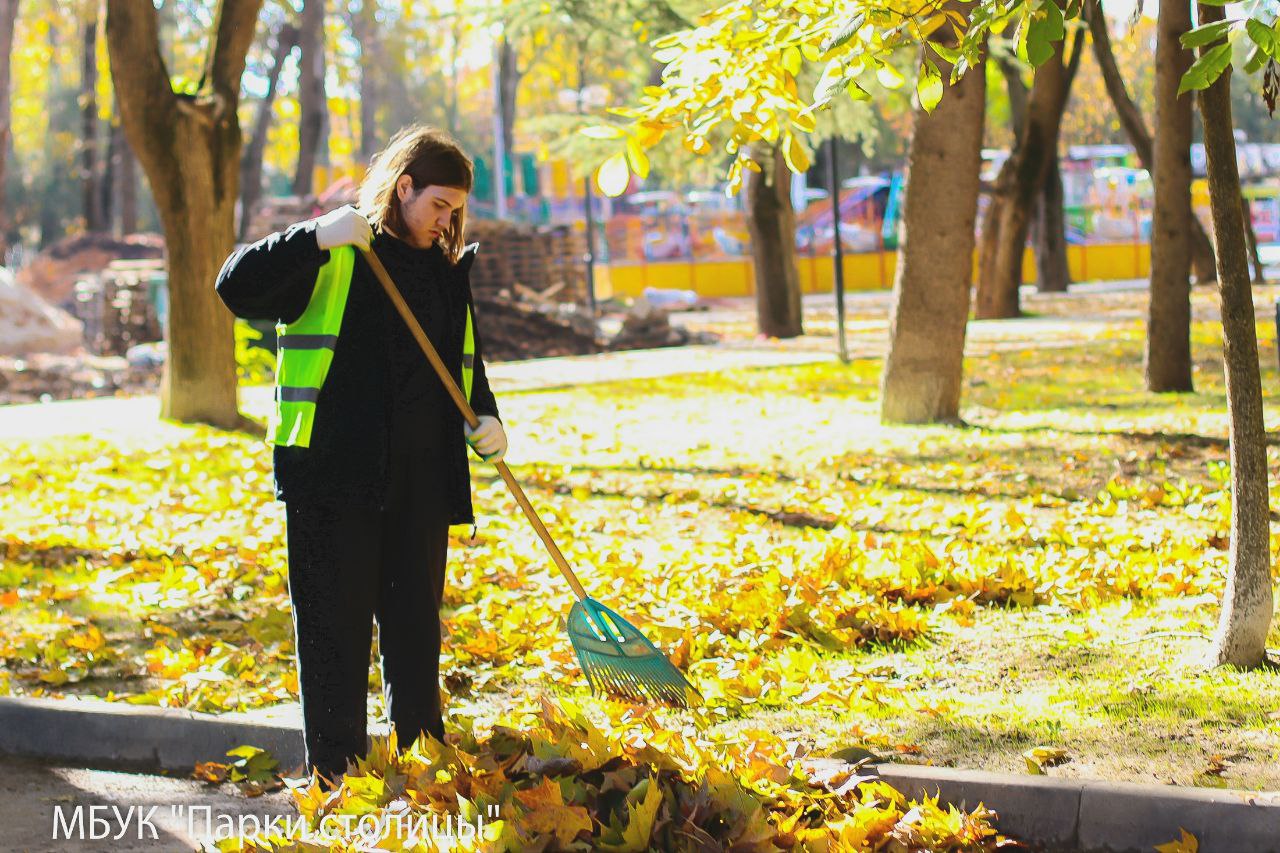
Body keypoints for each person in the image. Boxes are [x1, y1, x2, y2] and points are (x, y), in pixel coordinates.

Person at [215, 126, 507, 787]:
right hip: (331, 478)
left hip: (422, 482)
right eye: (438, 204)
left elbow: (463, 360)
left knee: (414, 635)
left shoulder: (444, 271)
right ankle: (336, 776)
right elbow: (235, 286)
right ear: (403, 187)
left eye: (456, 209)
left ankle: (424, 758)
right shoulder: (340, 253)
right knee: (332, 634)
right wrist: (312, 235)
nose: (447, 219)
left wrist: (487, 415)